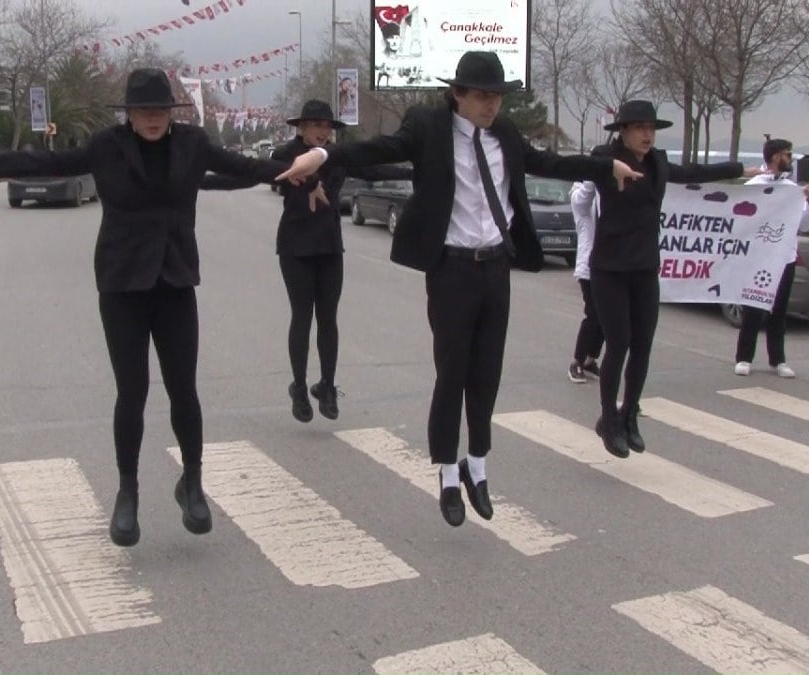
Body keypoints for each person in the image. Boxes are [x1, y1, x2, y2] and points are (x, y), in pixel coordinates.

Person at [0, 68, 287, 547]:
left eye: (159, 110)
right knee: (131, 391)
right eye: (143, 111)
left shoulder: (193, 144)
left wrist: (305, 165)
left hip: (174, 282)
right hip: (121, 286)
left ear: (171, 113)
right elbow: (45, 165)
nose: (152, 119)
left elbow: (248, 168)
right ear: (129, 114)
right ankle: (127, 491)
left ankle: (191, 481)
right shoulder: (105, 146)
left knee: (183, 389)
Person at [277, 51, 643, 527]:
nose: (492, 105)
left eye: (498, 97)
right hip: (450, 269)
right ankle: (449, 474)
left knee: (487, 373)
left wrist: (606, 167)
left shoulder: (505, 135)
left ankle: (479, 465)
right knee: (453, 372)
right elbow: (377, 150)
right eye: (483, 96)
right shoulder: (429, 127)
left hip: (495, 267)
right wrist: (322, 154)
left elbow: (548, 161)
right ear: (459, 95)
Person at [205, 100, 411, 423]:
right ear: (301, 128)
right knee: (302, 315)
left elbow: (374, 169)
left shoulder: (337, 157)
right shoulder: (285, 155)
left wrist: (417, 170)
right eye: (315, 125)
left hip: (330, 246)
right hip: (295, 246)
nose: (322, 131)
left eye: (327, 126)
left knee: (328, 316)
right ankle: (299, 387)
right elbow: (263, 175)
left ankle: (327, 385)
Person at [589, 100, 760, 458]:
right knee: (618, 343)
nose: (647, 134)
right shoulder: (606, 158)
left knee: (643, 344)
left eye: (651, 128)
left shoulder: (659, 163)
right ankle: (608, 419)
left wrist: (740, 167)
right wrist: (608, 164)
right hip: (610, 269)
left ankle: (630, 412)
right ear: (623, 130)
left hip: (645, 267)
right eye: (639, 127)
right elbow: (588, 164)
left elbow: (693, 173)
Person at [733, 138, 809, 379]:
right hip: (759, 258)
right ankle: (744, 357)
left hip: (784, 258)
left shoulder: (793, 190)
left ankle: (778, 359)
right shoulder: (753, 185)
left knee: (779, 310)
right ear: (774, 157)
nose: (790, 160)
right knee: (753, 307)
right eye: (787, 155)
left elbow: (805, 224)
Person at [567, 180, 603, 383]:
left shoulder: (602, 194)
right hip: (588, 268)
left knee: (606, 318)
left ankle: (590, 359)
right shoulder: (578, 196)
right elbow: (584, 197)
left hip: (606, 265)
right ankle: (576, 361)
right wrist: (598, 170)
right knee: (593, 314)